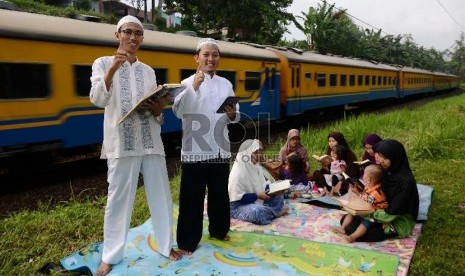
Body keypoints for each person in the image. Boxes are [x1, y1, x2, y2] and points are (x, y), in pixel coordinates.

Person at [89, 15, 180, 275]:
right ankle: (111, 255)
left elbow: (157, 114)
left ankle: (165, 245)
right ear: (117, 35)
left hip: (151, 141)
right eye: (128, 32)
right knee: (118, 200)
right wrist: (112, 70)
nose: (132, 37)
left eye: (137, 34)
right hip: (122, 143)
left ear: (141, 39)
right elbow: (97, 99)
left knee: (161, 195)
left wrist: (159, 108)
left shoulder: (148, 71)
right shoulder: (102, 63)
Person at [172, 38, 240, 255]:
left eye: (215, 55)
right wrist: (193, 88)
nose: (211, 59)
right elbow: (179, 112)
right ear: (197, 58)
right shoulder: (186, 82)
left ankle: (219, 231)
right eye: (206, 55)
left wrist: (232, 114)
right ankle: (187, 242)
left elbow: (235, 115)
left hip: (220, 148)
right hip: (195, 150)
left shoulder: (226, 84)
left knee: (220, 193)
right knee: (192, 197)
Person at [339, 139, 419, 242]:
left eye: (385, 158)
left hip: (396, 219)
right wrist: (359, 193)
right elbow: (377, 193)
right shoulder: (388, 171)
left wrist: (368, 213)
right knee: (347, 220)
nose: (380, 161)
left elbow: (394, 211)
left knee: (354, 229)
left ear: (395, 158)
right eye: (380, 156)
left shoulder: (405, 182)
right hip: (380, 209)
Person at [229, 139, 288, 225]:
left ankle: (271, 212)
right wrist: (257, 196)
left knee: (279, 197)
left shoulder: (255, 167)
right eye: (255, 153)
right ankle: (275, 212)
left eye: (260, 152)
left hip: (256, 200)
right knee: (257, 212)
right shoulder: (238, 173)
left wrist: (275, 187)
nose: (259, 155)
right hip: (238, 206)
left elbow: (262, 187)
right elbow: (237, 199)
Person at [335, 164, 388, 242]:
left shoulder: (375, 193)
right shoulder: (370, 186)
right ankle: (342, 228)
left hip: (374, 214)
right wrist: (357, 193)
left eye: (364, 174)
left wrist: (354, 207)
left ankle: (353, 237)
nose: (363, 176)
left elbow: (367, 205)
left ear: (368, 180)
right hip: (367, 209)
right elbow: (364, 198)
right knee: (350, 213)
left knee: (365, 223)